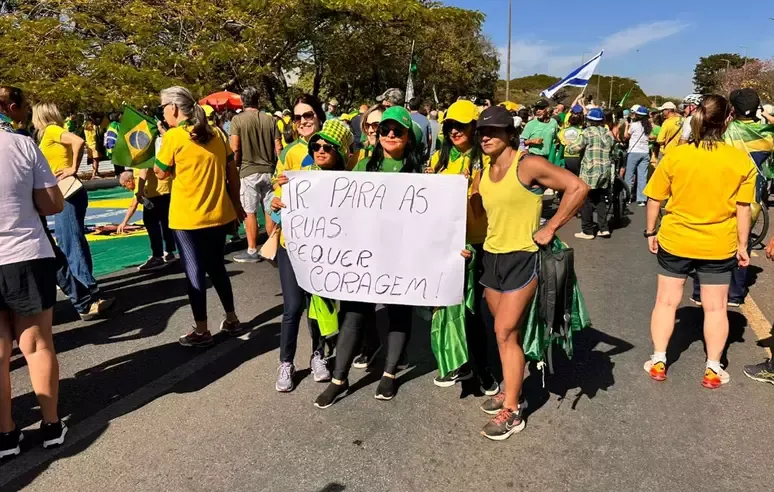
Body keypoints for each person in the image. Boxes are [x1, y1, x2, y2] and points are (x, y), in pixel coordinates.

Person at [472, 106, 587, 440]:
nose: (486, 137)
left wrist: (551, 226)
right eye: (482, 132)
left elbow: (576, 187)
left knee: (505, 331)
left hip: (524, 257)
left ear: (510, 134)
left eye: (494, 131)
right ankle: (512, 389)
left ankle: (513, 411)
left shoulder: (528, 165)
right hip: (492, 258)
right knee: (509, 334)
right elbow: (479, 212)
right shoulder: (485, 168)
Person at [314, 106, 425, 408]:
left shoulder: (422, 176)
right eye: (384, 129)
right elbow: (336, 201)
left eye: (397, 131)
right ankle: (339, 379)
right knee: (353, 315)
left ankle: (389, 373)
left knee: (398, 313)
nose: (389, 135)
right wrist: (292, 195)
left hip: (401, 257)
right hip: (363, 256)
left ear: (408, 138)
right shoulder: (362, 166)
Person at [642, 95, 755, 389]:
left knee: (666, 301)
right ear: (727, 120)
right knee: (716, 308)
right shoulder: (740, 160)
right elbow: (744, 208)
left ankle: (658, 360)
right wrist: (743, 245)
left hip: (676, 239)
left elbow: (655, 197)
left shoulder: (677, 156)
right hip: (718, 244)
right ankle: (713, 368)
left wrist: (650, 231)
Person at [0, 86, 68, 458]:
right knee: (37, 344)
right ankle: (51, 424)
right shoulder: (23, 145)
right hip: (26, 253)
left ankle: (6, 434)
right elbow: (51, 203)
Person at [154, 86, 245, 347]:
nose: (162, 113)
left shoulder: (174, 137)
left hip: (187, 218)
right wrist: (236, 204)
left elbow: (160, 172)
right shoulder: (216, 132)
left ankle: (202, 330)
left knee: (194, 271)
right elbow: (232, 171)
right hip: (219, 213)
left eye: (163, 108)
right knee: (217, 266)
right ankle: (232, 318)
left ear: (173, 108)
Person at [424, 100, 498, 394]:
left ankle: (482, 369)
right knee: (444, 306)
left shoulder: (487, 161)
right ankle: (455, 362)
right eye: (450, 126)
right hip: (443, 245)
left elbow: (481, 211)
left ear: (475, 127)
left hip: (477, 245)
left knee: (473, 312)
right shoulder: (439, 161)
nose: (455, 131)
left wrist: (473, 186)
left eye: (461, 125)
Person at [691, 88, 774, 308]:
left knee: (710, 240)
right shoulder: (768, 135)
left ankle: (700, 291)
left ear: (732, 110)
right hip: (752, 198)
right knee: (742, 243)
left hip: (721, 194)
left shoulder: (725, 132)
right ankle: (736, 294)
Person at [270, 94, 330, 392]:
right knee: (293, 306)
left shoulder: (331, 149)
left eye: (308, 115)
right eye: (298, 117)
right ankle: (286, 362)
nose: (304, 121)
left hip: (323, 243)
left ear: (319, 116)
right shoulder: (290, 153)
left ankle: (319, 354)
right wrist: (277, 201)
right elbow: (274, 196)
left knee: (316, 304)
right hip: (291, 242)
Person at [33, 103, 113, 321]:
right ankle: (88, 286)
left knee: (70, 243)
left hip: (67, 191)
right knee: (72, 241)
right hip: (67, 192)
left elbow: (79, 141)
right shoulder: (51, 132)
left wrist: (72, 168)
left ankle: (88, 290)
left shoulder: (51, 131)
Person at [229, 87, 282, 263]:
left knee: (249, 211)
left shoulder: (237, 120)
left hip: (248, 171)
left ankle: (252, 250)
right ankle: (272, 245)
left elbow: (235, 148)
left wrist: (234, 166)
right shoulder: (270, 119)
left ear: (243, 102)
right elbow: (278, 147)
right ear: (258, 100)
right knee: (270, 209)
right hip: (269, 170)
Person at [567, 108, 615, 239]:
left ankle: (587, 231)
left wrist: (569, 146)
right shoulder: (608, 133)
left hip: (590, 170)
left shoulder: (587, 132)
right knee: (600, 199)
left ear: (589, 120)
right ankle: (603, 228)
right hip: (604, 170)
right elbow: (613, 148)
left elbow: (575, 148)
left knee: (586, 200)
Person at [117, 169, 177, 270]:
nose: (126, 188)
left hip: (152, 193)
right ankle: (169, 251)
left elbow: (133, 205)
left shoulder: (139, 171)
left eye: (124, 186)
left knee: (151, 224)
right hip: (166, 189)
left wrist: (124, 222)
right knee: (165, 222)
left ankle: (157, 256)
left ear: (129, 181)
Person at [623, 106, 653, 206]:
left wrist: (627, 125)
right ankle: (642, 199)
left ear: (637, 115)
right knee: (642, 176)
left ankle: (627, 197)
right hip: (645, 152)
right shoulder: (649, 126)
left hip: (634, 152)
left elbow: (626, 136)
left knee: (629, 175)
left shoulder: (634, 125)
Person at [557, 105, 584, 176]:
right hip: (578, 156)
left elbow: (559, 136)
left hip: (567, 156)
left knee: (568, 176)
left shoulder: (563, 131)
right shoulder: (582, 131)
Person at [83, 115, 103, 180]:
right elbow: (99, 133)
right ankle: (94, 175)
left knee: (94, 160)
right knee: (96, 161)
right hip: (94, 145)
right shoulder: (94, 128)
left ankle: (96, 171)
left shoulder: (85, 129)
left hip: (89, 146)